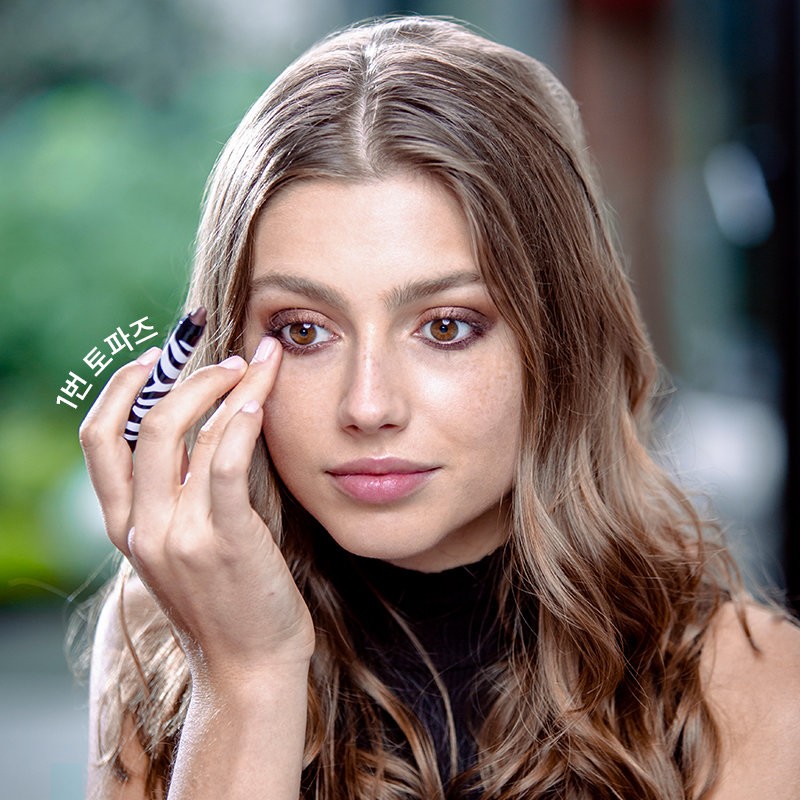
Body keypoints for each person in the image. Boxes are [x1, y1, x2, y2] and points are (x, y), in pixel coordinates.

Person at [76, 15, 800, 800]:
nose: (369, 406)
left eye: (446, 327)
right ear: (226, 351)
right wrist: (247, 678)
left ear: (560, 337)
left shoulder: (753, 687)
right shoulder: (168, 633)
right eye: (304, 330)